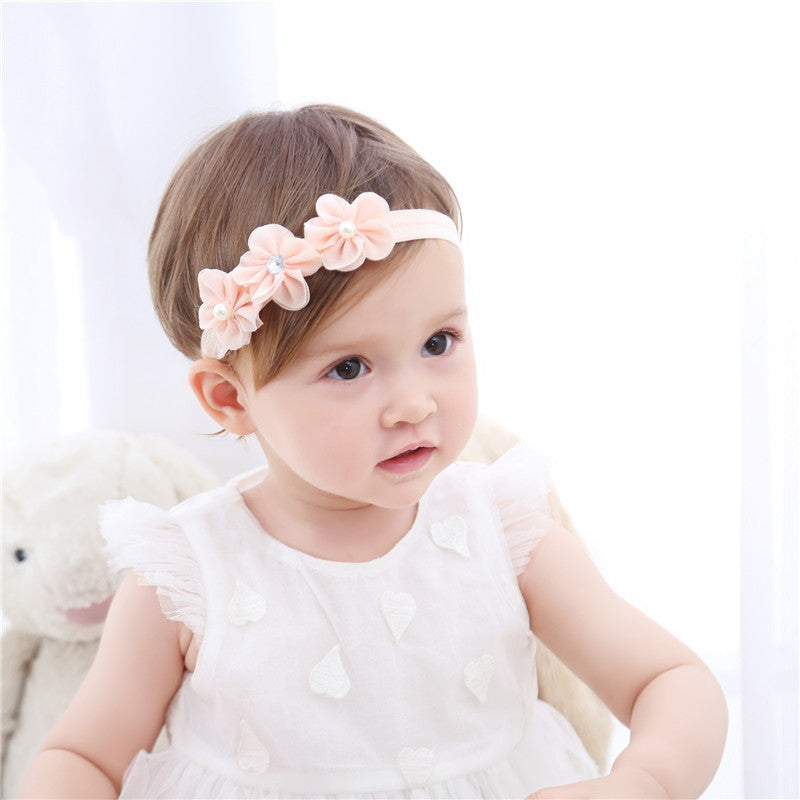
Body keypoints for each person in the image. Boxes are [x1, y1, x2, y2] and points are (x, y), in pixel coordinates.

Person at [19, 104, 727, 799]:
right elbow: (84, 757)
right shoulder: (188, 576)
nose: (414, 403)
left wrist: (645, 781)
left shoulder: (504, 537)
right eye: (349, 368)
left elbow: (669, 681)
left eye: (438, 343)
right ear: (231, 398)